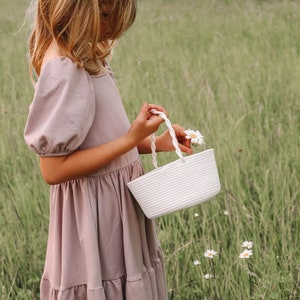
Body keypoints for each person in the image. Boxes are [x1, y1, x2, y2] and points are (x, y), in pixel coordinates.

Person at [24, 0, 192, 299]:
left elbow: (103, 143)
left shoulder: (85, 57)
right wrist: (129, 139)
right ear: (71, 9)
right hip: (95, 216)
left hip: (114, 209)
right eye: (104, 14)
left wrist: (154, 142)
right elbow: (54, 169)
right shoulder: (64, 69)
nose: (112, 24)